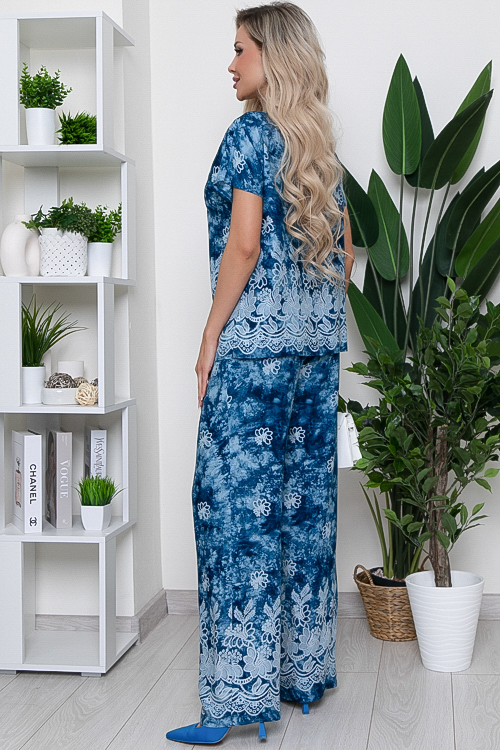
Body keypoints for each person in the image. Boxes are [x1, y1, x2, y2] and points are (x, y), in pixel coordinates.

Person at [166, 2, 354, 745]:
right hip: (315, 357)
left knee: (234, 517)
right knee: (304, 510)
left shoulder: (248, 136)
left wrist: (211, 334)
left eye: (241, 49)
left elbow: (242, 246)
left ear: (273, 57)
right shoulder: (320, 150)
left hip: (252, 357)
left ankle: (234, 704)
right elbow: (343, 254)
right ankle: (302, 677)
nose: (232, 63)